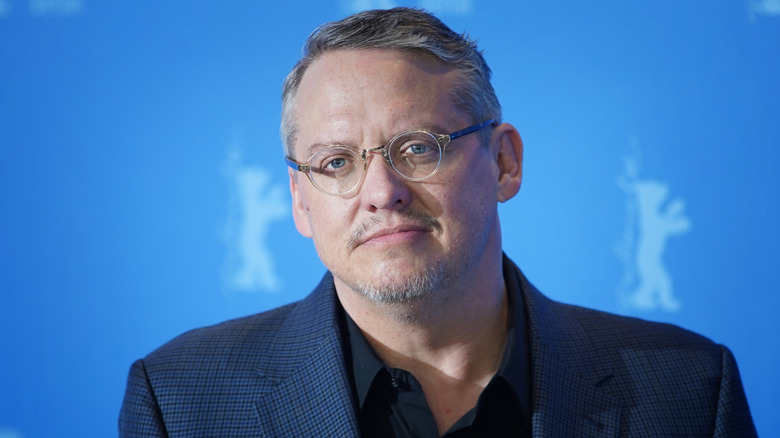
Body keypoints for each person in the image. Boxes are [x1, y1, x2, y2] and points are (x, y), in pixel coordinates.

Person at [119, 7, 756, 437]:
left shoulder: (690, 392)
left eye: (419, 147)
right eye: (336, 162)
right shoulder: (179, 402)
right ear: (299, 200)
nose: (382, 192)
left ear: (504, 162)